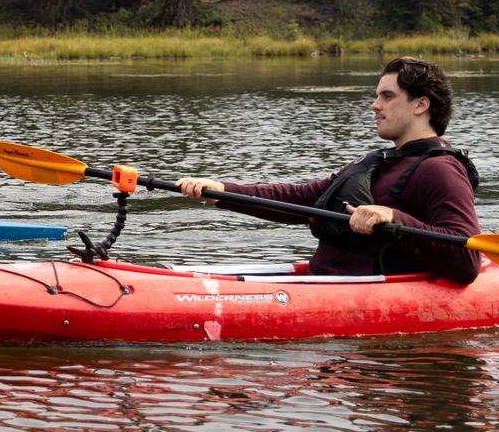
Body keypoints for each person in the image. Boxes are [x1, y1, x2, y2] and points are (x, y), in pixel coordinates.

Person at [177, 56, 481, 282]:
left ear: (420, 105)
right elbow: (301, 198)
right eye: (377, 96)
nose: (374, 105)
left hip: (365, 294)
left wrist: (394, 217)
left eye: (387, 96)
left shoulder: (441, 170)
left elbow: (467, 261)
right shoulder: (375, 162)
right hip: (322, 283)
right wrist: (224, 192)